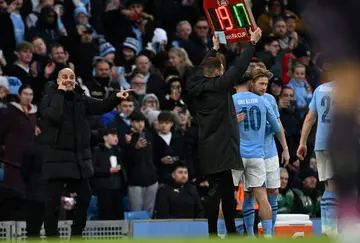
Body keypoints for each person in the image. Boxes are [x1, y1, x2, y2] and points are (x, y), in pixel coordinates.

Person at [38, 68, 133, 238]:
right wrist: (60, 93)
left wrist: (115, 98)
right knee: (52, 203)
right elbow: (54, 117)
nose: (68, 80)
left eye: (71, 77)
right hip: (56, 159)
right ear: (58, 80)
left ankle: (76, 235)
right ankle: (52, 236)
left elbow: (100, 106)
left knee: (85, 196)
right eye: (64, 77)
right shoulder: (48, 98)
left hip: (77, 159)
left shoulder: (80, 98)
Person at [187, 27, 262, 237]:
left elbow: (201, 68)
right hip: (224, 147)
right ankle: (214, 233)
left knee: (227, 192)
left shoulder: (195, 84)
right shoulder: (220, 85)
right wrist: (252, 43)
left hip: (207, 146)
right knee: (217, 193)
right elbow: (239, 68)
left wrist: (212, 49)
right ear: (220, 71)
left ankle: (228, 231)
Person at [232, 69, 280, 238]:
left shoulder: (231, 101)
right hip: (257, 156)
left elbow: (221, 128)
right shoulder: (263, 101)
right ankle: (268, 236)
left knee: (226, 196)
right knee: (262, 196)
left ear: (234, 84)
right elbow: (276, 128)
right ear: (250, 83)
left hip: (236, 155)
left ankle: (222, 236)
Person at [243, 67, 290, 235]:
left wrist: (285, 148)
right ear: (251, 83)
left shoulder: (269, 99)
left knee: (273, 191)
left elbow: (278, 125)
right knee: (249, 193)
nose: (264, 87)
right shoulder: (243, 100)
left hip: (270, 153)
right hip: (252, 153)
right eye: (261, 84)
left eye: (266, 84)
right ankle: (249, 234)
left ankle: (269, 232)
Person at [296, 79, 337, 236]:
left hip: (321, 144)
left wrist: (302, 143)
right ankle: (331, 231)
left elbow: (309, 118)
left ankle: (328, 228)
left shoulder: (320, 89)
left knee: (328, 186)